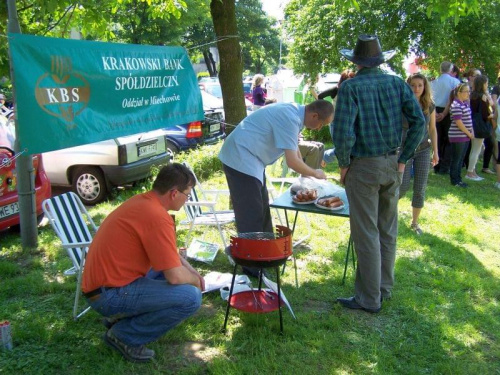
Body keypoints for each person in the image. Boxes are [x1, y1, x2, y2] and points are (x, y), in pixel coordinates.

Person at [332, 34, 425, 313]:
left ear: (356, 62)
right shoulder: (396, 83)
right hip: (391, 162)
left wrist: (343, 163)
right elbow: (418, 122)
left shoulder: (351, 87)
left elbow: (343, 131)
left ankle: (369, 298)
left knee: (367, 233)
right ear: (380, 60)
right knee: (387, 228)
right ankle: (383, 289)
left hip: (364, 166)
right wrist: (404, 158)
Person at [82, 163, 204, 363]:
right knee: (191, 297)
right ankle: (124, 335)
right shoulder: (157, 216)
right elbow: (174, 277)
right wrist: (195, 281)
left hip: (103, 287)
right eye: (187, 194)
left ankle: (121, 318)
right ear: (174, 193)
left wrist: (192, 272)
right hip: (108, 295)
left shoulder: (146, 202)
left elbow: (170, 255)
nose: (186, 200)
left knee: (170, 273)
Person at [219, 100, 334, 275]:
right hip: (239, 156)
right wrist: (315, 173)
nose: (319, 128)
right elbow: (292, 161)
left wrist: (309, 173)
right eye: (321, 124)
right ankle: (251, 265)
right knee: (251, 213)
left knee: (263, 209)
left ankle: (265, 255)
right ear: (314, 115)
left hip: (252, 160)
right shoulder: (290, 117)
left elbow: (294, 150)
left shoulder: (295, 116)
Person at [399, 73, 439, 235]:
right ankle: (386, 214)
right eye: (413, 85)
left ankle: (415, 222)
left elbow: (432, 129)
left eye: (420, 85)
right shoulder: (402, 103)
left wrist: (436, 152)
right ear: (408, 86)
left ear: (425, 87)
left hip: (423, 149)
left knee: (420, 186)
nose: (416, 88)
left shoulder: (429, 105)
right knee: (402, 186)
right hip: (405, 149)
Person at [431, 62, 461, 174]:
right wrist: (444, 113)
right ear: (451, 69)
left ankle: (437, 165)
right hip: (448, 110)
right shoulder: (455, 82)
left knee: (437, 138)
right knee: (448, 139)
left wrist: (437, 113)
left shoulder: (433, 83)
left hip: (436, 109)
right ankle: (444, 166)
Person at [466, 75, 494, 181]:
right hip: (480, 126)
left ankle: (472, 171)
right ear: (482, 84)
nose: (487, 85)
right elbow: (485, 113)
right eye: (486, 83)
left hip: (471, 123)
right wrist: (492, 116)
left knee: (474, 149)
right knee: (476, 150)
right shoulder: (482, 96)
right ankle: (470, 172)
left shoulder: (472, 95)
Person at [449, 83, 474, 187]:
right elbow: (459, 122)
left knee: (461, 158)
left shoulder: (464, 104)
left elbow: (468, 120)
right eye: (466, 91)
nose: (468, 93)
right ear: (459, 93)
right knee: (457, 158)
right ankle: (455, 180)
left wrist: (471, 132)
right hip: (458, 136)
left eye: (469, 91)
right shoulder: (456, 105)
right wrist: (469, 133)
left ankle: (459, 179)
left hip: (465, 136)